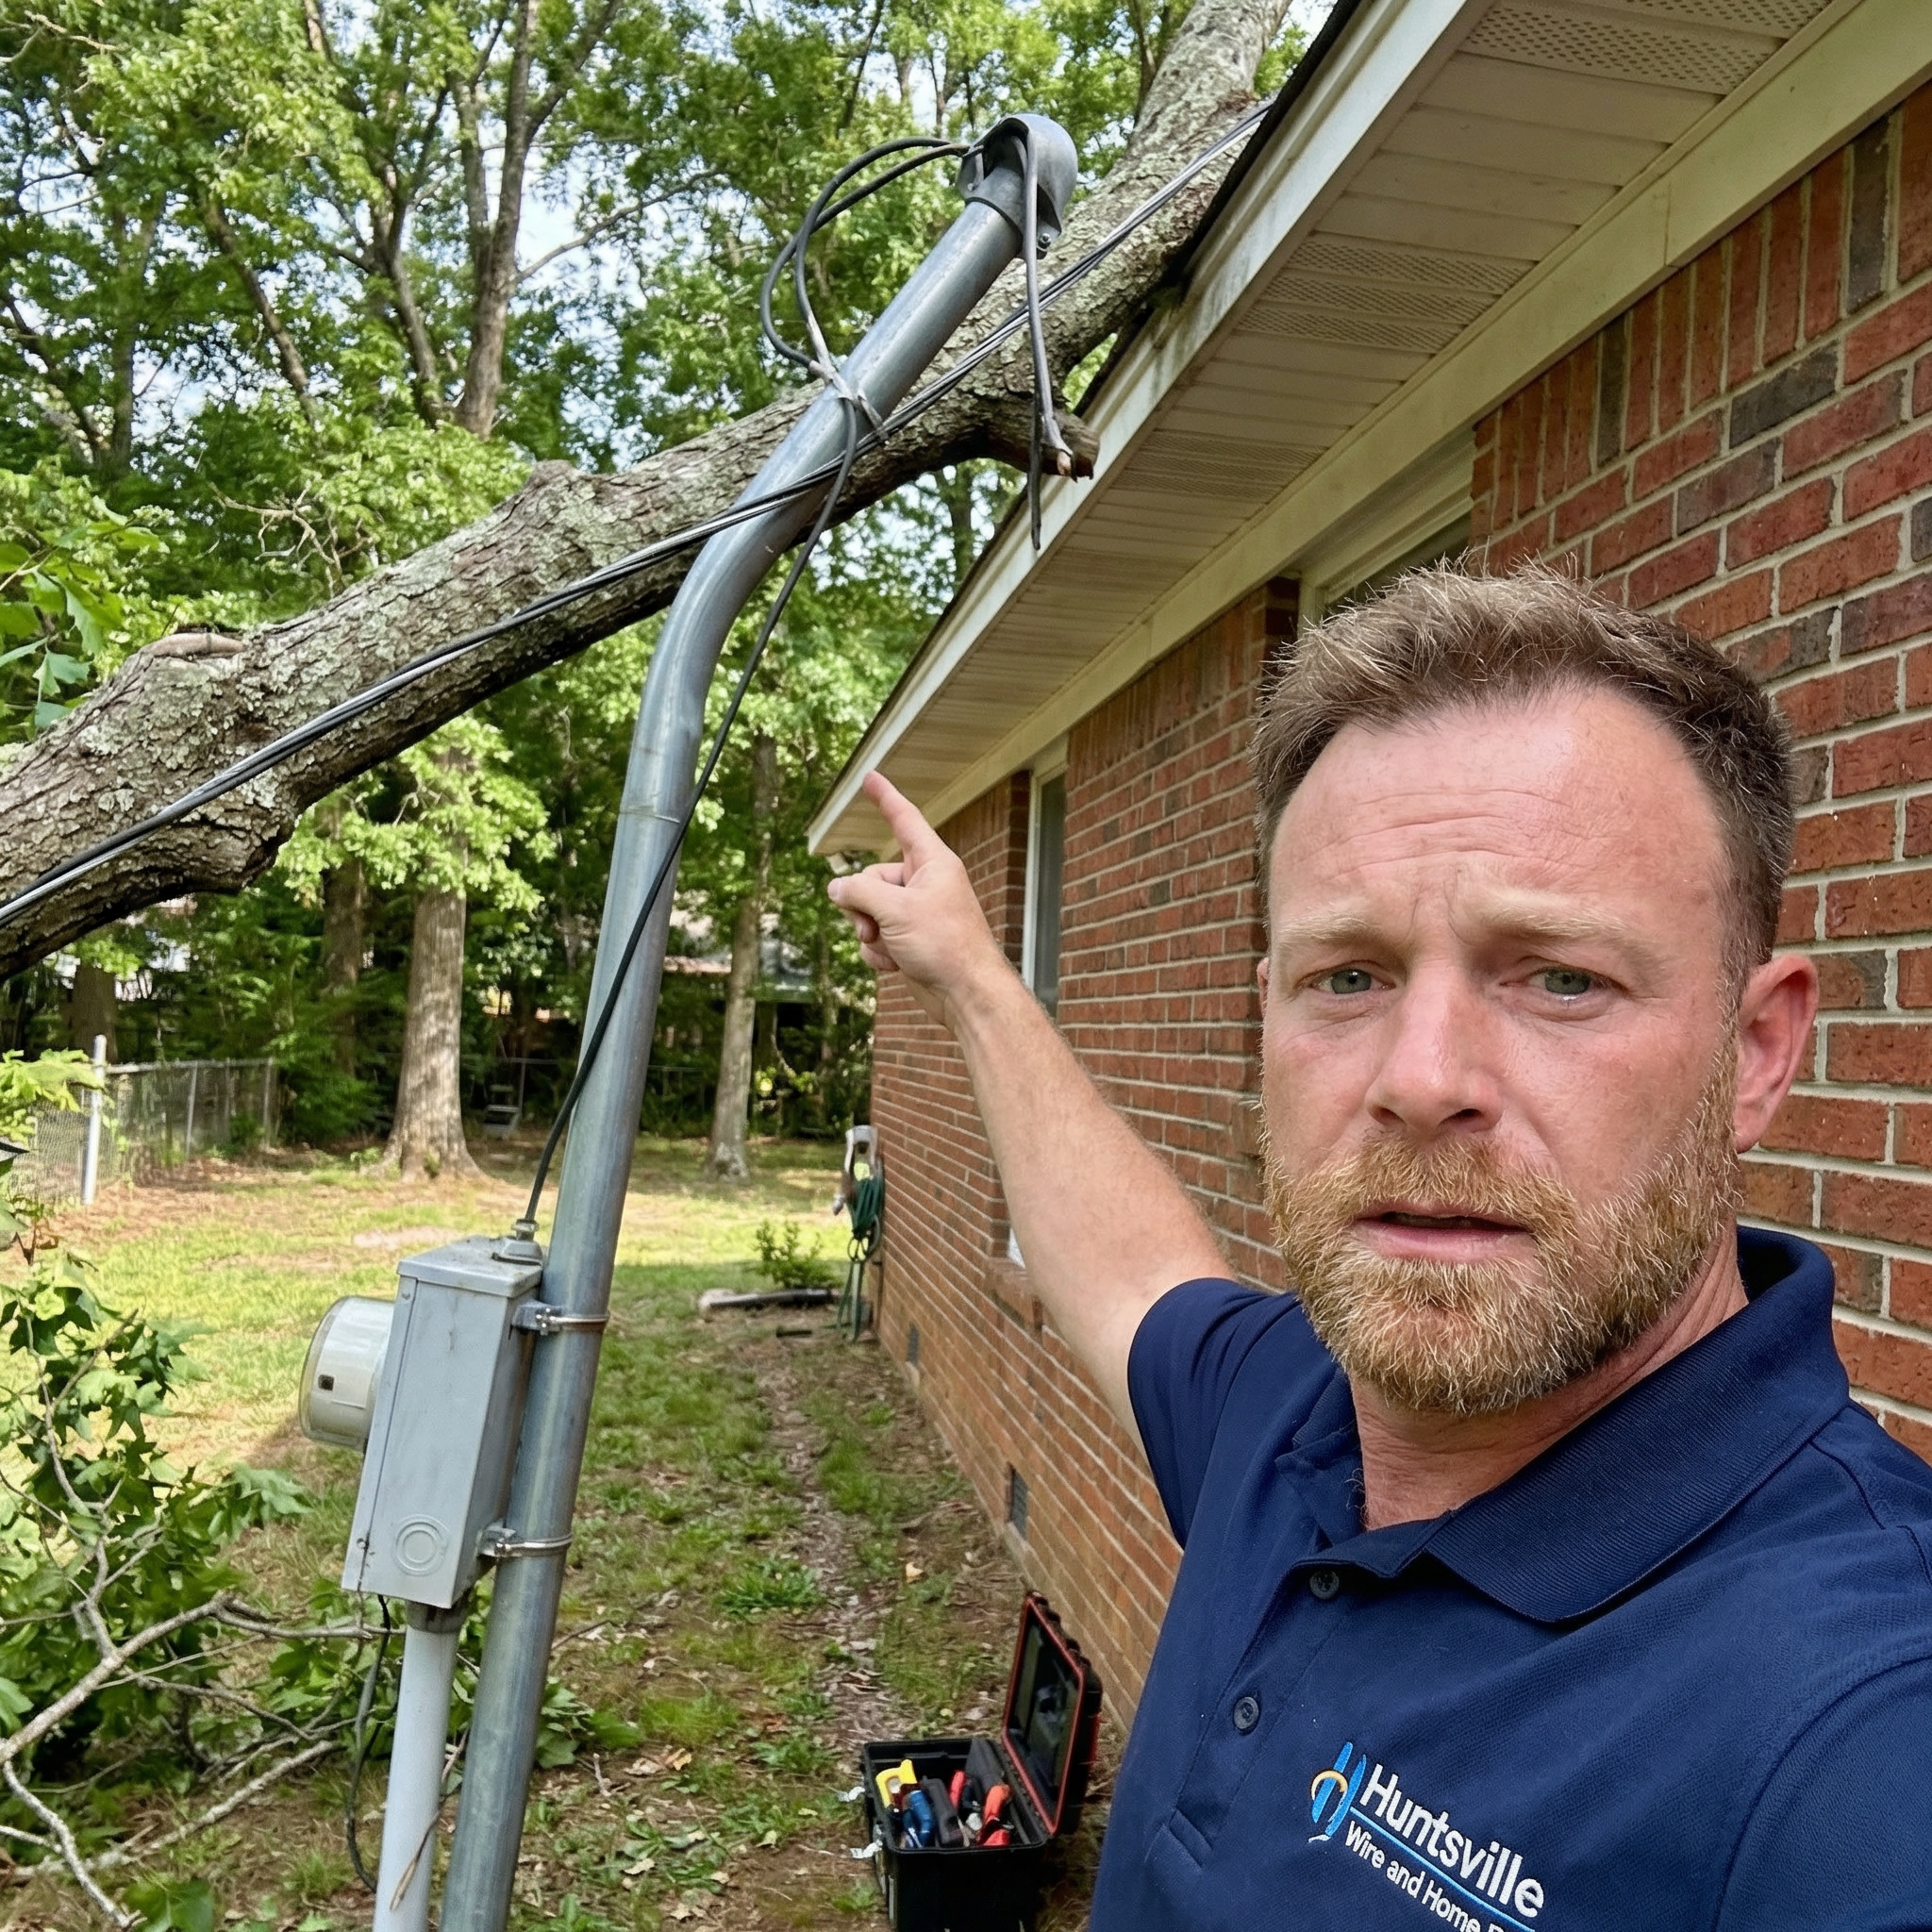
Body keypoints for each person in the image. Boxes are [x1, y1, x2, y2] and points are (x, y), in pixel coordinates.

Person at [827, 564, 1932, 1930]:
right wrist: (975, 977)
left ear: (1755, 1052)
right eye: (1347, 976)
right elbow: (1126, 1273)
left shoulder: (1859, 1735)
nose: (1420, 1077)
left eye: (1560, 977)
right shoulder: (1288, 1412)